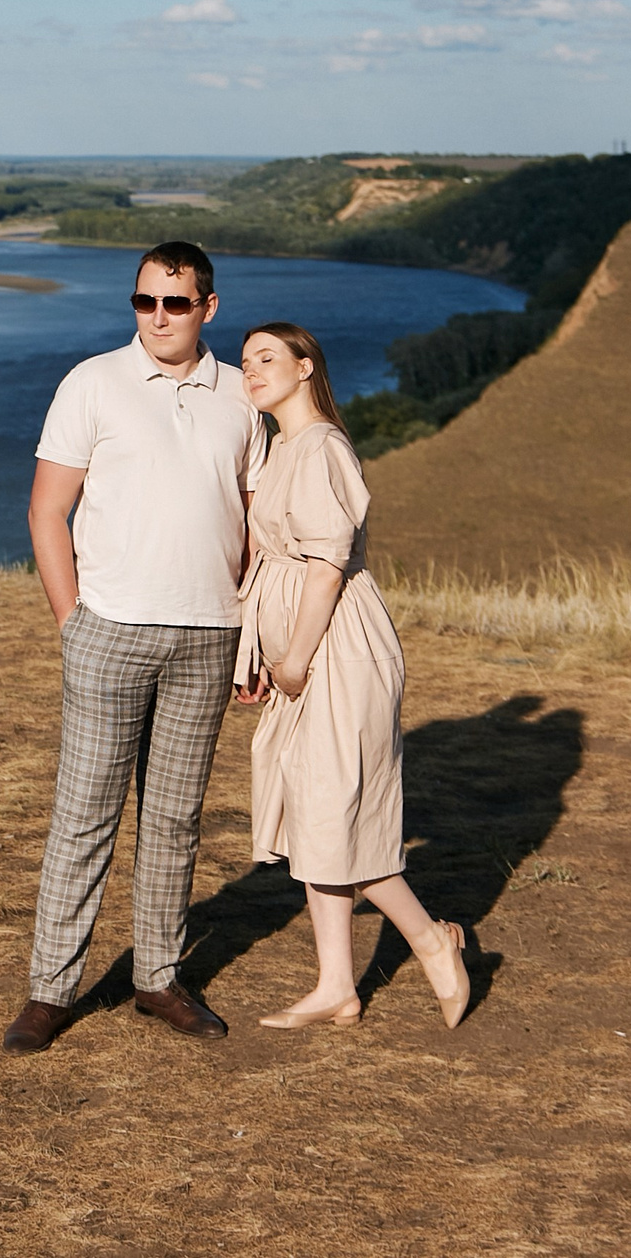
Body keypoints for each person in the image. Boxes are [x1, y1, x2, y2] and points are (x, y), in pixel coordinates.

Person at [2, 241, 267, 1055]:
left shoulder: (243, 396)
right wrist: (71, 619)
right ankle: (52, 991)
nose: (158, 317)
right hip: (107, 631)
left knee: (175, 819)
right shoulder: (92, 383)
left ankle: (157, 978)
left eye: (176, 303)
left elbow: (256, 525)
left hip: (209, 636)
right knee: (84, 817)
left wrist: (251, 634)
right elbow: (48, 511)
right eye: (145, 301)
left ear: (208, 308)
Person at [231, 321, 471, 1029]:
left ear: (307, 367)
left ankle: (433, 942)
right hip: (300, 650)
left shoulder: (323, 447)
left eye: (268, 357)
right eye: (245, 361)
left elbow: (327, 563)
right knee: (314, 813)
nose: (252, 370)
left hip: (337, 647)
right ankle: (337, 983)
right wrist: (261, 657)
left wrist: (297, 657)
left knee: (339, 812)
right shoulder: (278, 451)